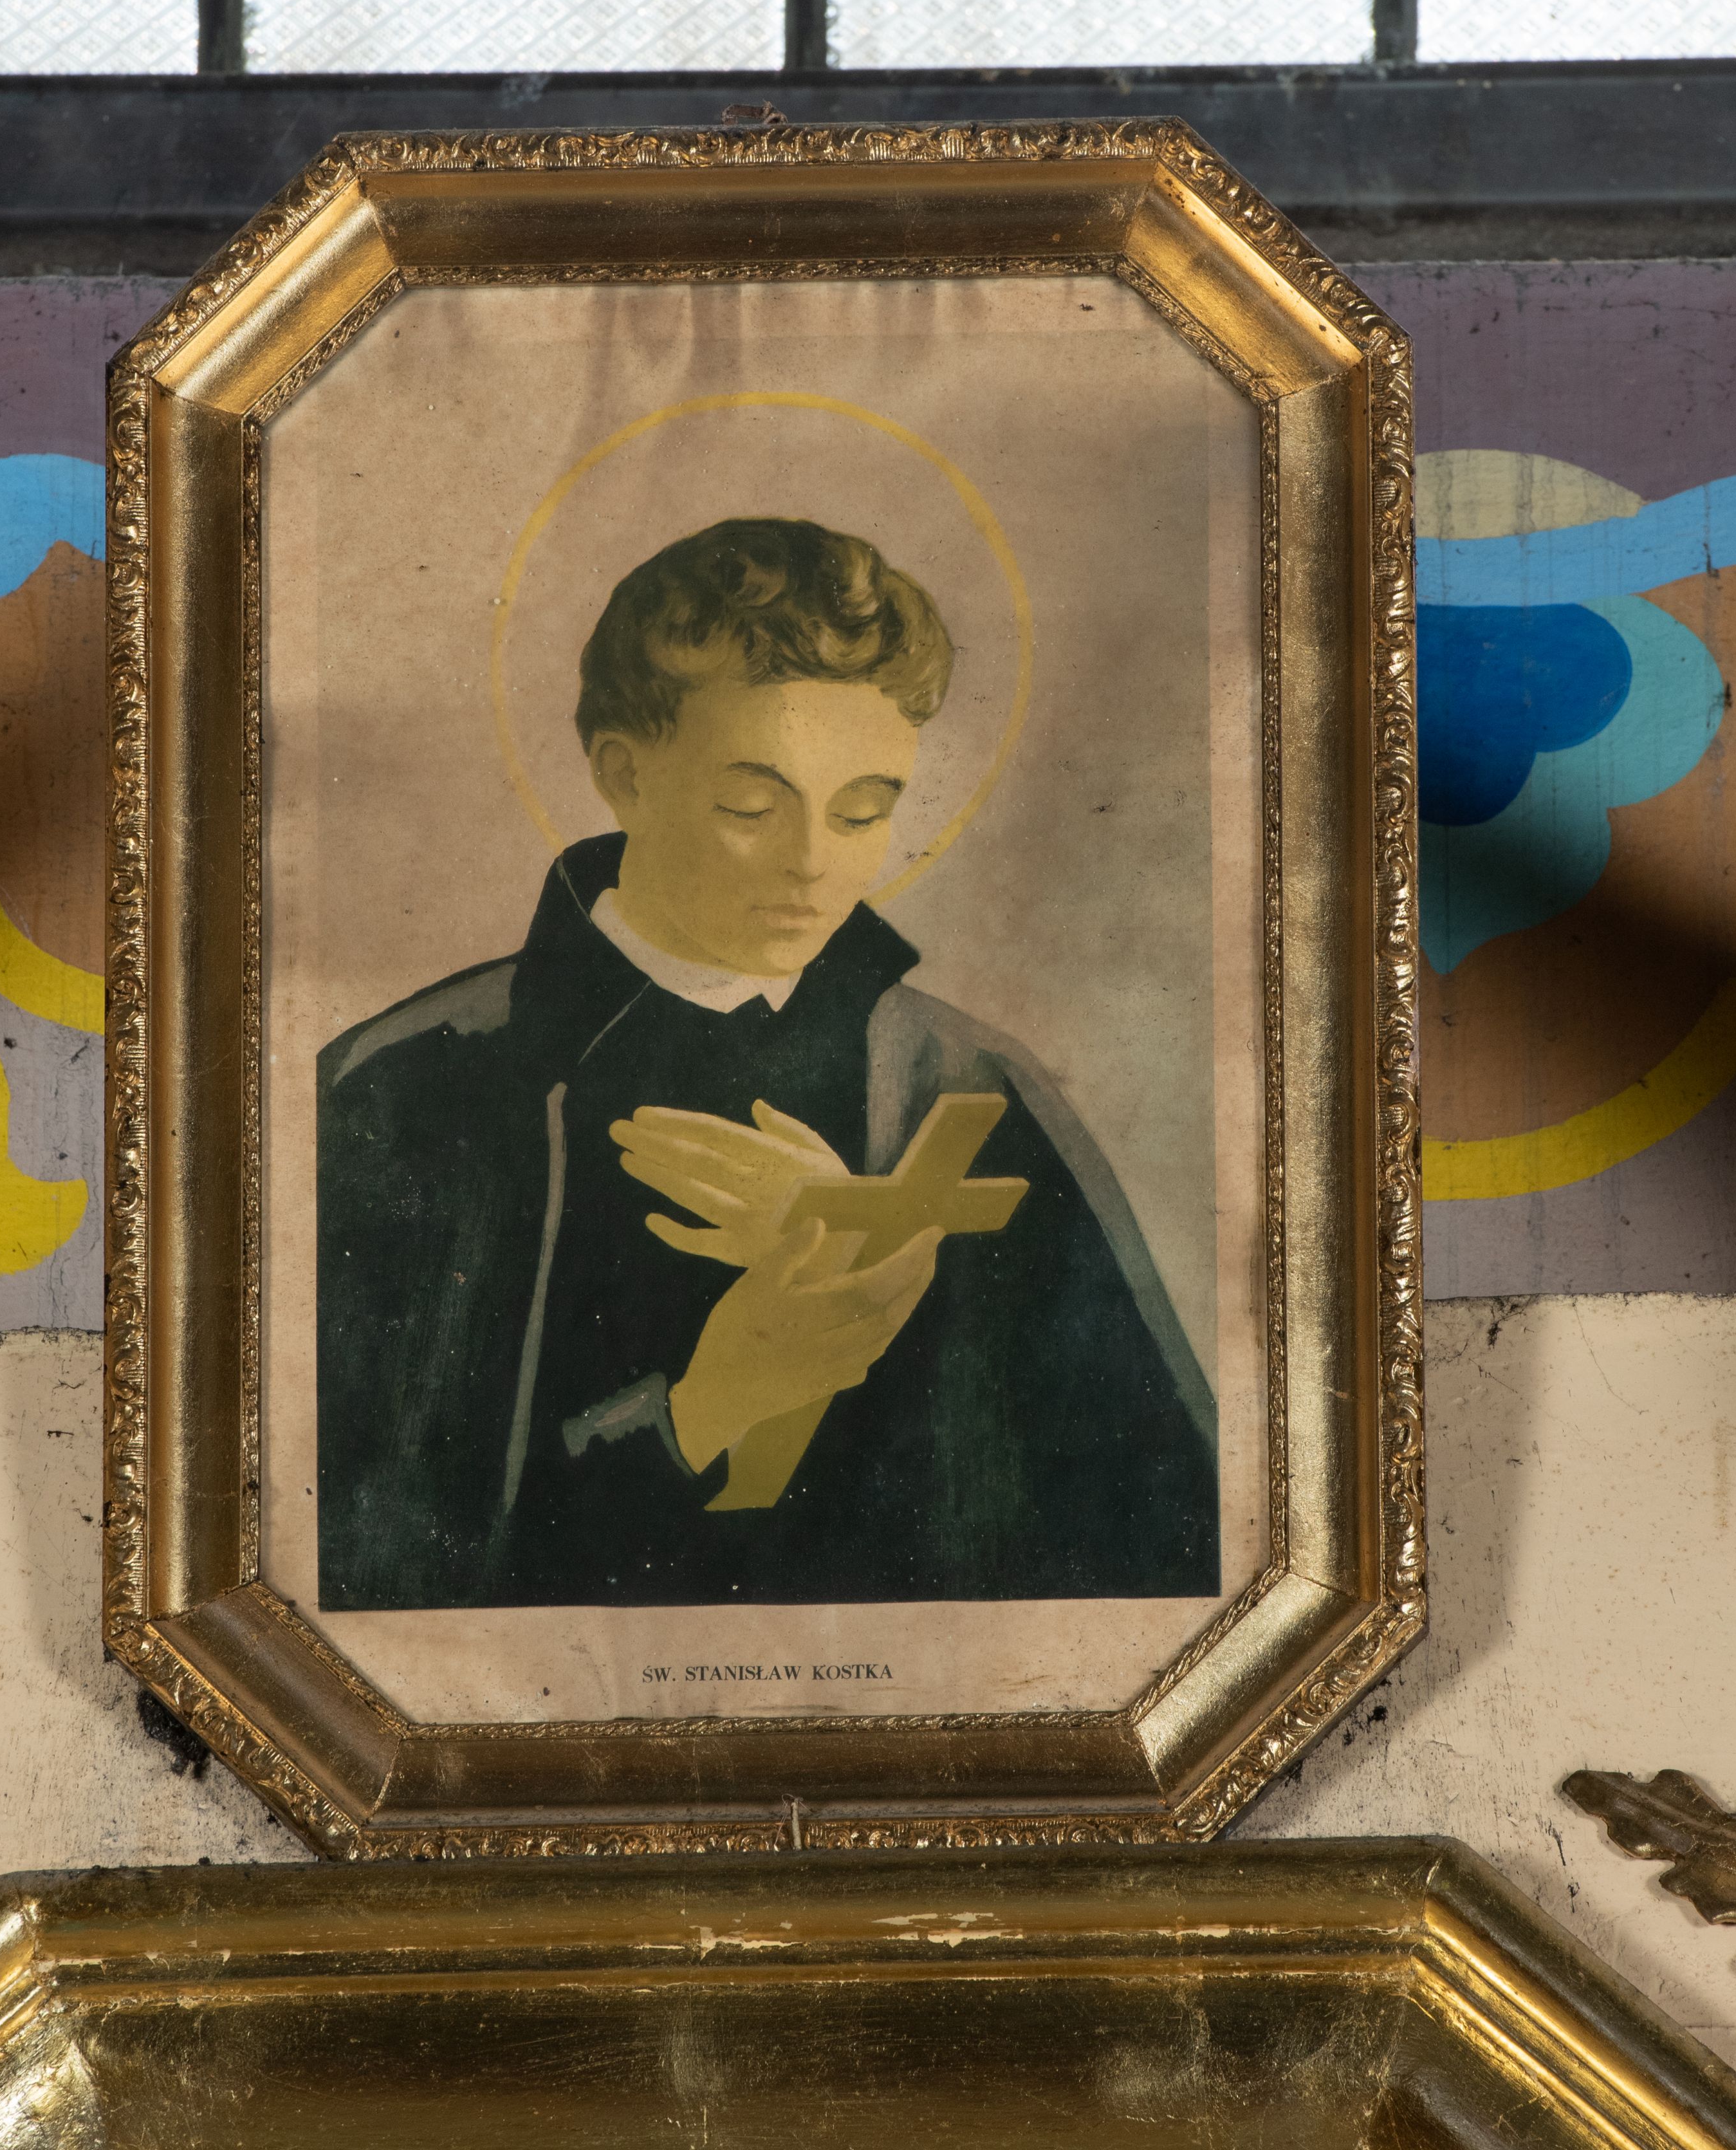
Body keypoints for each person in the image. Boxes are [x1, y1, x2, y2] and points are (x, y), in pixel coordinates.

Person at [317, 517, 1217, 1610]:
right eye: (751, 806)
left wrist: (863, 1261)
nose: (812, 864)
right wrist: (707, 1405)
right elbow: (369, 1572)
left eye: (863, 811)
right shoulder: (410, 1082)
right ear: (623, 776)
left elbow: (1144, 1534)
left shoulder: (966, 1082)